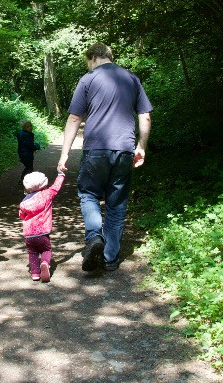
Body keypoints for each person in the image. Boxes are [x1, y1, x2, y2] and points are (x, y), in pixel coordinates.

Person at [57, 43, 152, 272]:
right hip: (124, 148)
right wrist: (141, 146)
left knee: (89, 194)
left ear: (94, 57)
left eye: (87, 61)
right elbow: (145, 116)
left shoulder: (88, 79)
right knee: (116, 202)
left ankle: (94, 238)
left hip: (96, 150)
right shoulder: (131, 78)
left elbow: (73, 118)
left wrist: (65, 153)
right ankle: (110, 259)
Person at [19, 170, 65, 282]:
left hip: (29, 235)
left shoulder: (24, 201)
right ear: (43, 184)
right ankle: (45, 263)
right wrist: (61, 174)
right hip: (43, 233)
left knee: (32, 253)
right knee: (46, 250)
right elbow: (56, 187)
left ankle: (35, 273)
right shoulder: (47, 195)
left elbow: (21, 215)